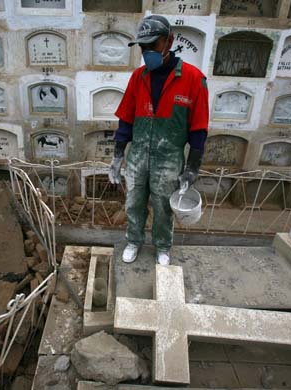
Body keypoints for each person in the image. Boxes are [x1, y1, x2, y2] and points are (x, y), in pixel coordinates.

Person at [108, 15, 209, 265]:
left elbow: (199, 130)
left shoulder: (193, 79)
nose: (147, 52)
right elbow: (126, 121)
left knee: (164, 206)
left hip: (169, 157)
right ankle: (134, 241)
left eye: (152, 45)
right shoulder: (138, 77)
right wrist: (118, 155)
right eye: (143, 47)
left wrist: (192, 168)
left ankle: (163, 246)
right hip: (138, 154)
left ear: (169, 41)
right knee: (133, 201)